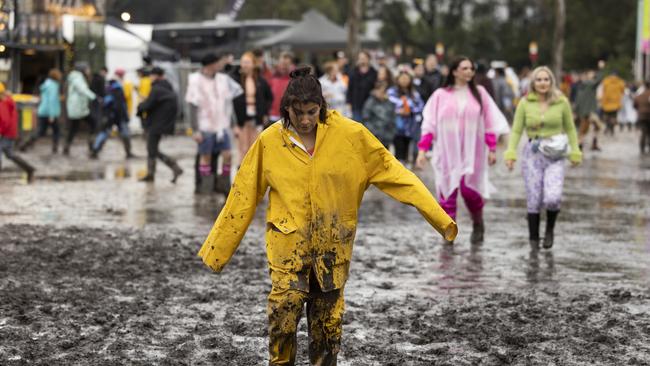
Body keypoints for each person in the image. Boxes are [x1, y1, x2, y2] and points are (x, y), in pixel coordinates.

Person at [197, 66, 457, 366]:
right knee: (284, 310)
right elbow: (242, 195)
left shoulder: (351, 136)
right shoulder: (270, 142)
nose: (305, 120)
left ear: (322, 106)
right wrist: (218, 250)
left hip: (334, 246)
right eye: (298, 113)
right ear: (286, 109)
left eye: (311, 111)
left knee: (327, 325)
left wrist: (440, 218)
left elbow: (395, 174)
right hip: (287, 244)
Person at [416, 56, 500, 245]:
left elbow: (489, 121)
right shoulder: (440, 95)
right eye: (465, 68)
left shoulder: (480, 93)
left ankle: (478, 222)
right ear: (454, 71)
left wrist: (492, 147)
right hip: (447, 152)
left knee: (470, 191)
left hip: (473, 151)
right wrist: (423, 149)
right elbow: (429, 123)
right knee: (447, 192)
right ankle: (448, 232)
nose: (469, 71)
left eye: (471, 68)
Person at [504, 66, 582, 250]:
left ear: (551, 82)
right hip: (532, 154)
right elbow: (516, 130)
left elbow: (570, 128)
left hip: (555, 154)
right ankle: (533, 241)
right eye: (538, 80)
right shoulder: (524, 102)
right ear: (533, 83)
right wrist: (511, 153)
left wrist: (575, 151)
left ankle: (549, 230)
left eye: (546, 79)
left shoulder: (561, 102)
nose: (542, 83)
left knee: (553, 197)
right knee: (534, 199)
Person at [186, 53, 242, 194]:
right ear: (210, 65)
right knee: (206, 157)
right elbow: (192, 106)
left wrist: (234, 124)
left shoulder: (223, 79)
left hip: (222, 125)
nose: (219, 66)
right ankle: (206, 187)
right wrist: (195, 129)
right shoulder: (195, 80)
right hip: (205, 126)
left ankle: (224, 185)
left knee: (227, 155)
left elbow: (228, 104)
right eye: (217, 63)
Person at [137, 67, 183, 183]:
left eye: (152, 75)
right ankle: (150, 174)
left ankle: (174, 167)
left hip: (155, 124)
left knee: (152, 149)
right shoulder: (168, 87)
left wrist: (140, 105)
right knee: (152, 149)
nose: (150, 78)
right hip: (163, 123)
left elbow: (148, 105)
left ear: (156, 76)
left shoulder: (156, 89)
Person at [231, 51, 273, 165]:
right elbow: (231, 100)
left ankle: (254, 174)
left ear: (254, 64)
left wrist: (265, 113)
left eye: (247, 62)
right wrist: (233, 122)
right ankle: (242, 173)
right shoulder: (235, 79)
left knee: (255, 148)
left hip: (256, 118)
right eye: (243, 62)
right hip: (241, 120)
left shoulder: (261, 80)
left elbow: (269, 97)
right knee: (242, 149)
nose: (245, 65)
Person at [20, 69, 62, 153]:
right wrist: (52, 115)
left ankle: (26, 143)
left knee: (40, 131)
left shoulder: (46, 84)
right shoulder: (53, 86)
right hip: (50, 112)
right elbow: (51, 100)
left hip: (43, 110)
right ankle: (55, 148)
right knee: (56, 131)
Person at [0, 82, 35, 182]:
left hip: (6, 132)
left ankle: (30, 169)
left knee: (4, 151)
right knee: (9, 154)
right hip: (9, 132)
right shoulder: (8, 100)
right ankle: (29, 169)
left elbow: (4, 120)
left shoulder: (3, 103)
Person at [90, 78, 133, 159]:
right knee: (125, 135)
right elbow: (123, 105)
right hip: (119, 117)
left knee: (104, 133)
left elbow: (104, 104)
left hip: (111, 116)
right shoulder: (119, 90)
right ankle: (128, 153)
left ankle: (95, 151)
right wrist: (126, 117)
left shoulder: (108, 91)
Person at [388, 70, 424, 163]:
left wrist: (410, 110)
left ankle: (405, 168)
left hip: (410, 127)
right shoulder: (392, 92)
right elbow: (388, 105)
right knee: (398, 150)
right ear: (398, 79)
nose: (404, 80)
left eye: (406, 78)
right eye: (402, 78)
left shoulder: (414, 93)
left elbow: (420, 106)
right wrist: (399, 111)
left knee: (407, 148)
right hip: (396, 126)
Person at [62, 63, 97, 155]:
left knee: (74, 128)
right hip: (77, 108)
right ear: (82, 70)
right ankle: (91, 143)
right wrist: (94, 97)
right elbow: (82, 89)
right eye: (87, 69)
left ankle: (67, 146)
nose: (89, 71)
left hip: (79, 108)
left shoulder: (76, 77)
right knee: (92, 123)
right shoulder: (77, 78)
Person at [574, 62, 605, 151]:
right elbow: (598, 80)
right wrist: (601, 69)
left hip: (584, 112)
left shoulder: (581, 86)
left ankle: (585, 144)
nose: (593, 75)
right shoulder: (589, 84)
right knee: (587, 129)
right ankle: (582, 145)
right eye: (591, 73)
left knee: (588, 129)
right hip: (589, 112)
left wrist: (576, 111)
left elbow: (578, 100)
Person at [362, 81, 395, 148]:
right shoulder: (370, 102)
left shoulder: (390, 104)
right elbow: (366, 119)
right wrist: (374, 133)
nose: (381, 94)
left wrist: (389, 136)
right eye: (379, 91)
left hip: (386, 138)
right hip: (373, 137)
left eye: (383, 92)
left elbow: (393, 121)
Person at [346, 50, 377, 122]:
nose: (362, 60)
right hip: (356, 105)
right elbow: (350, 88)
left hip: (370, 106)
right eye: (360, 58)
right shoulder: (354, 72)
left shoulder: (374, 72)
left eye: (363, 58)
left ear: (368, 59)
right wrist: (348, 102)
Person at [268, 51, 295, 122]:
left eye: (286, 64)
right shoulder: (272, 77)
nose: (283, 66)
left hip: (289, 116)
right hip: (272, 115)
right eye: (282, 63)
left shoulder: (295, 79)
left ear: (291, 64)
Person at [600, 72, 626, 136]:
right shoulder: (620, 82)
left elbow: (602, 90)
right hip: (615, 104)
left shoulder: (605, 81)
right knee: (613, 117)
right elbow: (623, 92)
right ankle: (612, 129)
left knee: (607, 117)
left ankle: (607, 127)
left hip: (606, 103)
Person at [634, 80, 650, 154]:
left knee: (643, 132)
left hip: (641, 116)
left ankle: (642, 149)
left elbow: (635, 105)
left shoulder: (640, 95)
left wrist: (640, 110)